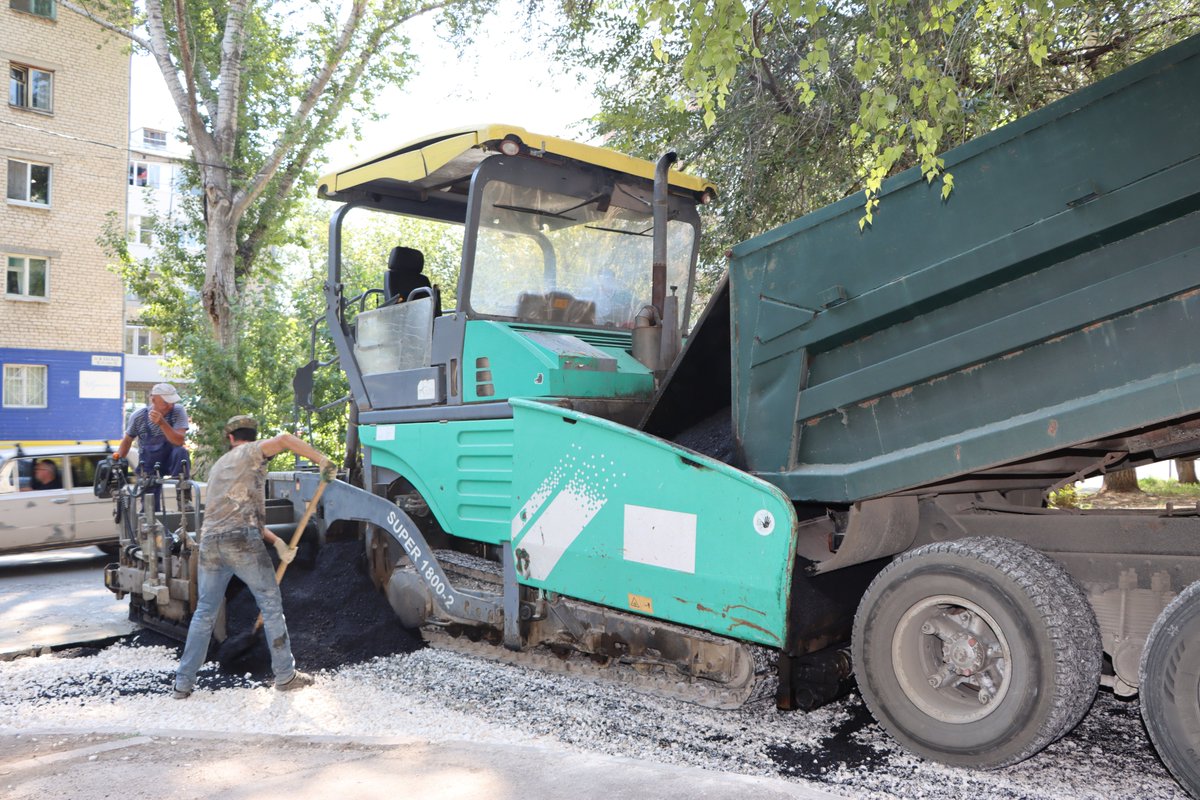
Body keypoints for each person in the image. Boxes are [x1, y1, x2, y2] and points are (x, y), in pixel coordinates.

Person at [172, 414, 336, 699]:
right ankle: (285, 676)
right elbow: (285, 440)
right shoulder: (250, 452)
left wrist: (278, 543)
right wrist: (321, 459)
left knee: (204, 614)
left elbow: (254, 523)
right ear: (250, 436)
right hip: (241, 541)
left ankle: (183, 684)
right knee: (271, 605)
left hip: (210, 543)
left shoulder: (219, 467)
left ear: (230, 438)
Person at [115, 383, 190, 510]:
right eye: (166, 403)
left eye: (172, 402)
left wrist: (162, 423)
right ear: (153, 400)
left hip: (171, 459)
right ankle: (152, 520)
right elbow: (127, 441)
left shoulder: (178, 411)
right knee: (150, 507)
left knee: (181, 452)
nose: (170, 406)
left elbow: (179, 440)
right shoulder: (138, 416)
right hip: (150, 464)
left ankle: (184, 498)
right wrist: (117, 460)